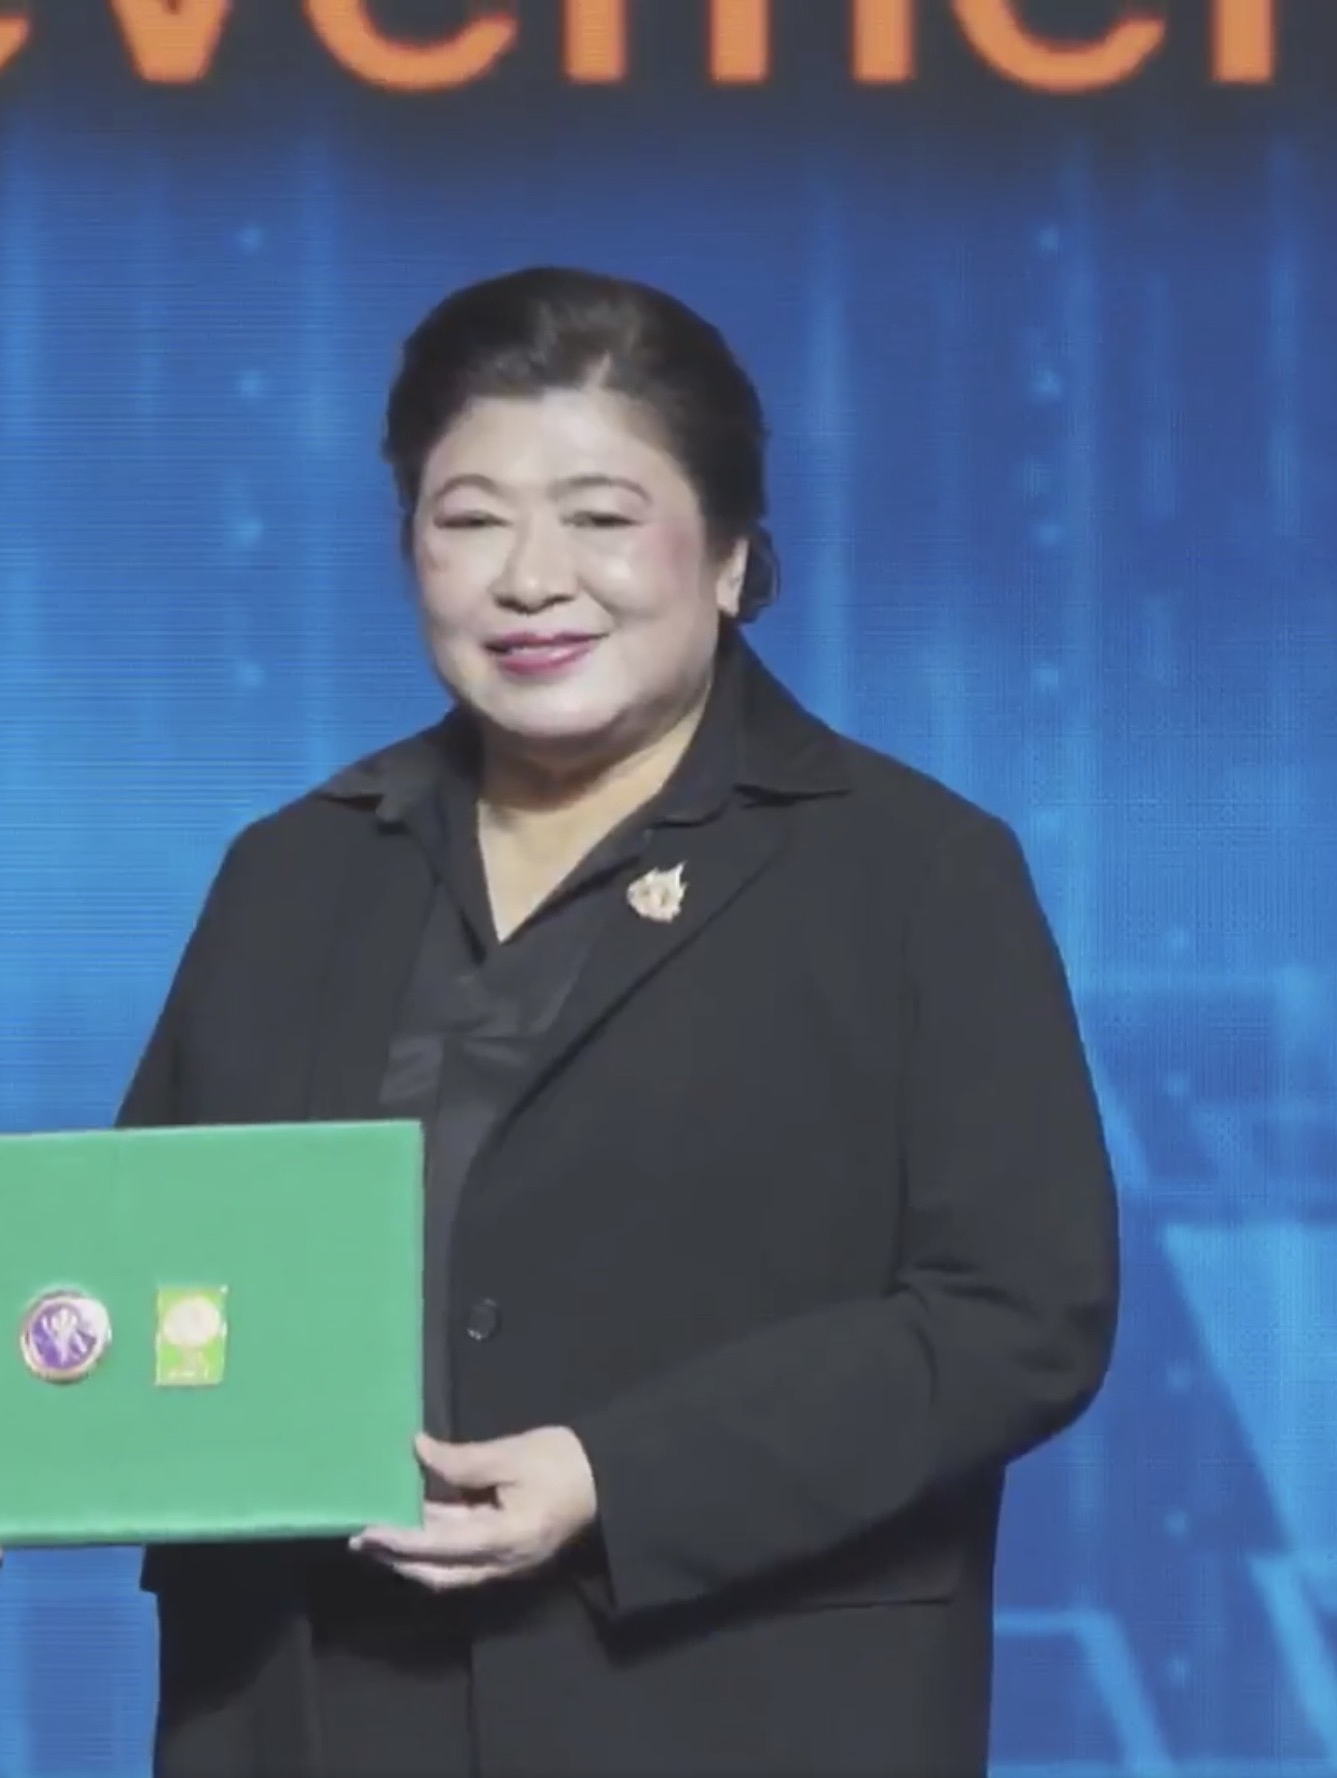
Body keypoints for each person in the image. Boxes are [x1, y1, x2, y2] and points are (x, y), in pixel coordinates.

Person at [114, 268, 1120, 1774]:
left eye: (599, 516)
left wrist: (614, 1476)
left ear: (731, 554)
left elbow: (1018, 1316)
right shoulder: (297, 869)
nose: (531, 579)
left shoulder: (911, 871)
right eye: (470, 519)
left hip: (730, 1700)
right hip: (313, 1703)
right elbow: (165, 1263)